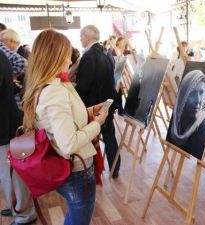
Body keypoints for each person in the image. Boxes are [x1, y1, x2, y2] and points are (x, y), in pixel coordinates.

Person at [22, 29, 108, 225]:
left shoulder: (51, 85)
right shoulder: (55, 91)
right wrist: (96, 124)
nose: (70, 61)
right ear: (54, 57)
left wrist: (90, 111)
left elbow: (65, 116)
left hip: (71, 168)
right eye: (66, 56)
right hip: (75, 170)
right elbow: (69, 144)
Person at [76, 25, 121, 178]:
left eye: (81, 37)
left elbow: (83, 86)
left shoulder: (89, 56)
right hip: (107, 100)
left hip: (95, 104)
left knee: (93, 136)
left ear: (87, 37)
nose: (80, 39)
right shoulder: (106, 52)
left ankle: (95, 170)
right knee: (109, 135)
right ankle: (115, 168)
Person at [0, 50, 37, 225]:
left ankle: (24, 212)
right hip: (7, 122)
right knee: (9, 173)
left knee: (10, 174)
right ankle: (18, 207)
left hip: (5, 126)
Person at [168, 70, 205, 159]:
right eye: (192, 93)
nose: (198, 100)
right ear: (183, 95)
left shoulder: (204, 126)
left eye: (201, 93)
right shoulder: (176, 120)